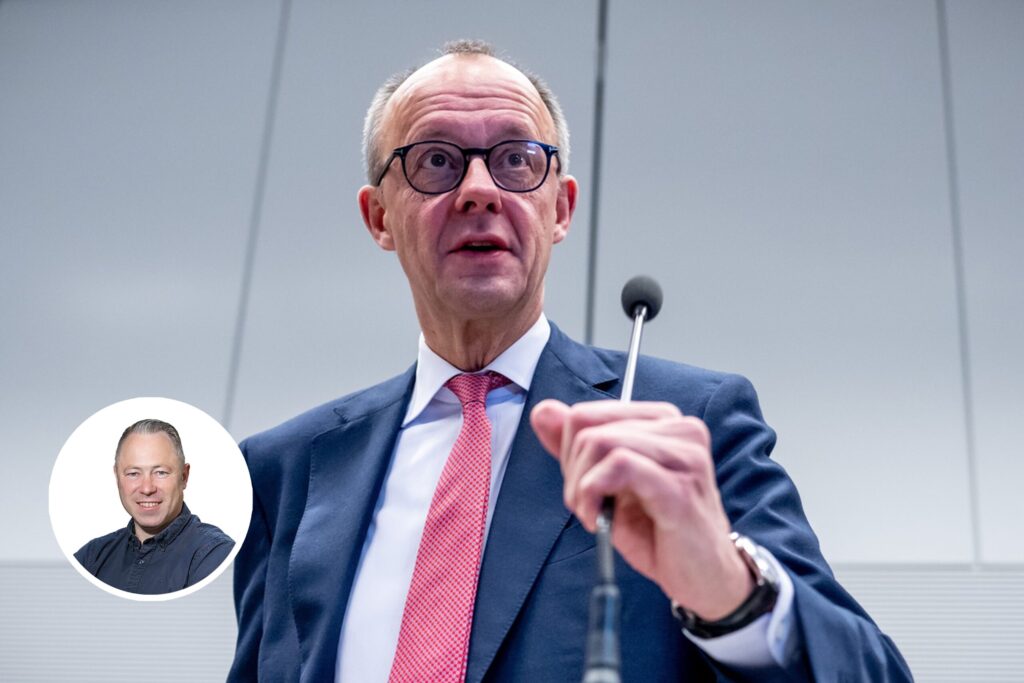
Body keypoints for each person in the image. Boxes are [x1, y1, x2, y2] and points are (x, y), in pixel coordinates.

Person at [230, 40, 911, 681]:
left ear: (560, 208)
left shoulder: (684, 423)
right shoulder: (282, 470)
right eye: (435, 160)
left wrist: (730, 591)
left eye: (516, 159)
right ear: (379, 217)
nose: (479, 189)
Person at [75, 418, 234, 595]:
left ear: (184, 476)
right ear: (117, 477)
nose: (147, 488)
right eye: (133, 473)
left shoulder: (215, 554)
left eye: (160, 473)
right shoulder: (92, 556)